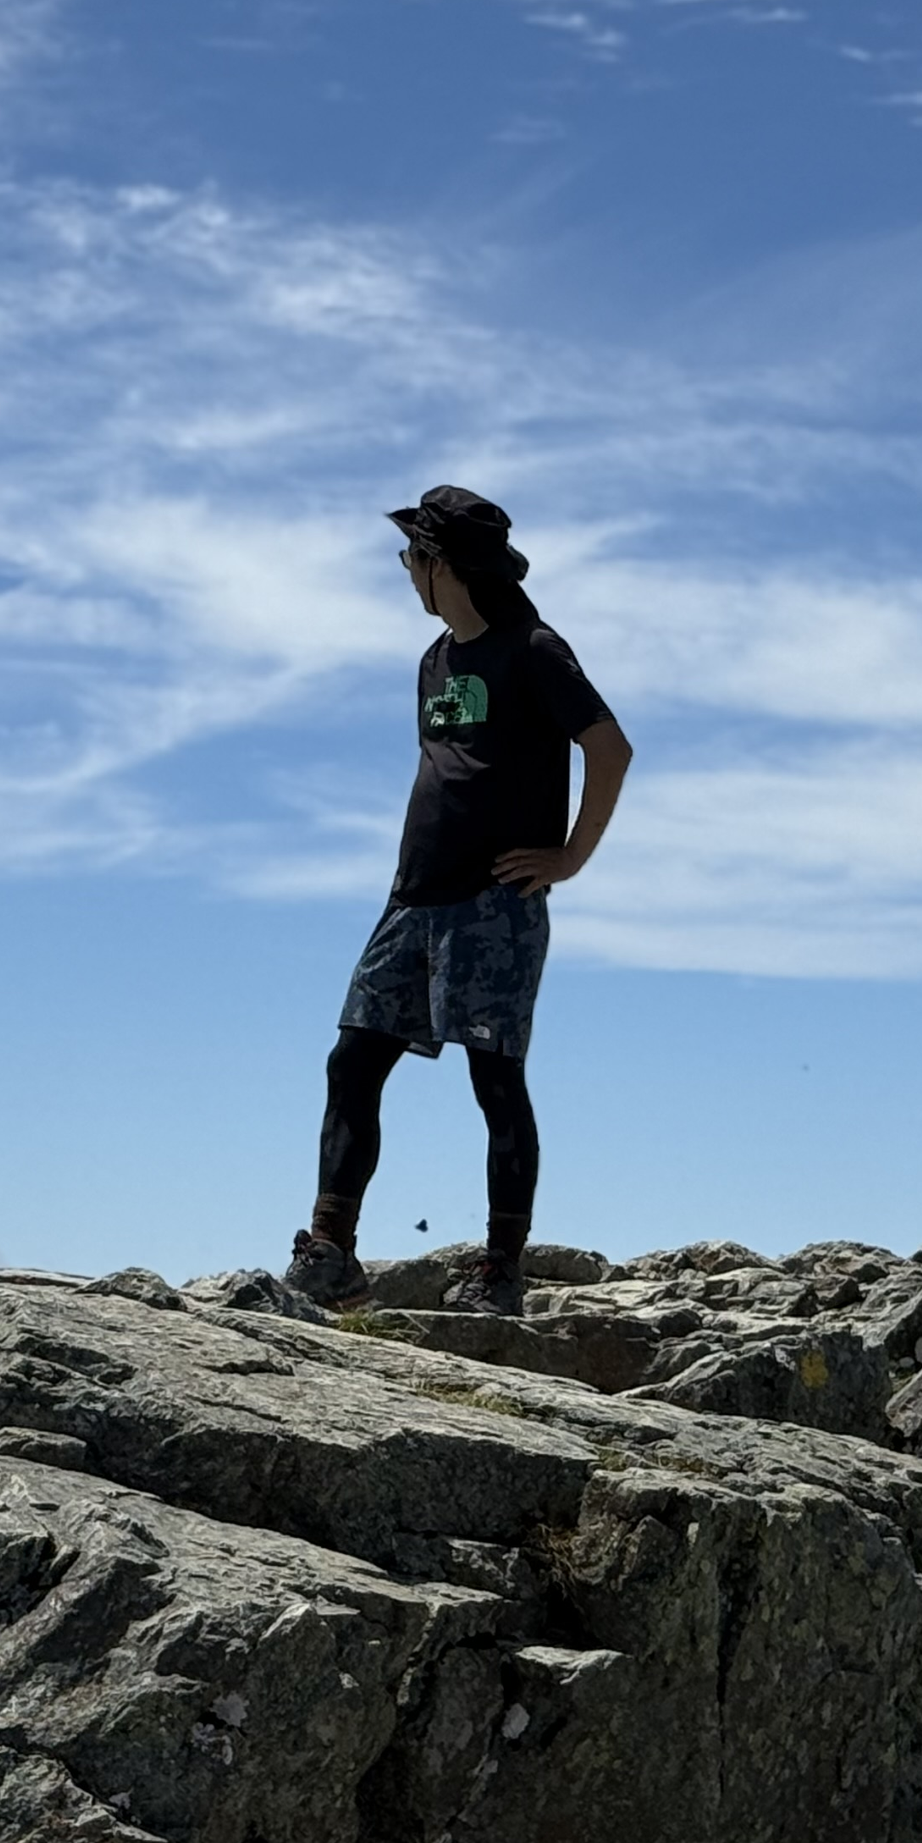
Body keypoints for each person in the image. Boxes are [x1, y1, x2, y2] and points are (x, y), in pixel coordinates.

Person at [284, 485, 633, 1317]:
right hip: (412, 899)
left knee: (494, 1077)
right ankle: (330, 1252)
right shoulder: (435, 660)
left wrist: (570, 857)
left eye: (412, 559)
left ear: (444, 565)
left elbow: (609, 747)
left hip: (494, 905)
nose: (406, 573)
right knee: (353, 1061)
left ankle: (500, 1275)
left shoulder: (534, 650)